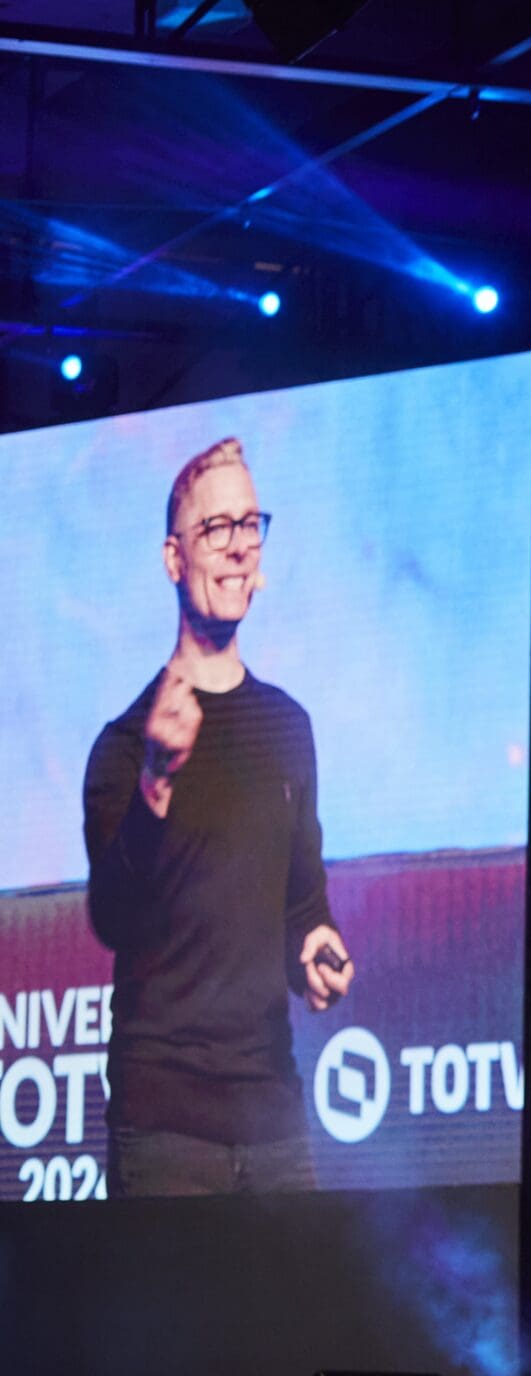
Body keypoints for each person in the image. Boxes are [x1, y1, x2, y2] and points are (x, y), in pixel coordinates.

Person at [82, 437, 352, 1196]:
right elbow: (112, 916)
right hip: (165, 1131)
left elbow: (303, 903)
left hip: (274, 1120)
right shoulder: (126, 744)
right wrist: (156, 782)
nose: (238, 547)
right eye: (216, 528)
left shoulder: (287, 727)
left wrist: (317, 949)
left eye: (250, 525)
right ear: (174, 558)